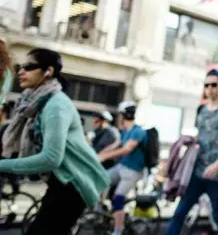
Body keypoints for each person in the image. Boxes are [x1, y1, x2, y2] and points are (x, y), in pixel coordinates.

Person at [0, 48, 109, 234]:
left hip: (75, 183)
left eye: (29, 67)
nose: (21, 71)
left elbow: (51, 158)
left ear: (48, 71)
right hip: (61, 181)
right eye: (20, 67)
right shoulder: (34, 104)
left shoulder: (56, 105)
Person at [167, 69, 218, 235]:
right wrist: (190, 141)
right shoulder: (201, 110)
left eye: (213, 85)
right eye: (206, 85)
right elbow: (202, 135)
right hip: (197, 173)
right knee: (179, 214)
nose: (210, 88)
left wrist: (216, 165)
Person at [98, 101, 147, 235]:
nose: (119, 118)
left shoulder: (138, 132)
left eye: (120, 115)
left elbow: (126, 149)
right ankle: (101, 212)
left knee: (118, 198)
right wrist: (98, 155)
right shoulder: (126, 131)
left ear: (125, 115)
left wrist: (104, 157)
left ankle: (118, 231)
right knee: (99, 179)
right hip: (121, 167)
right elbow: (116, 145)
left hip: (132, 171)